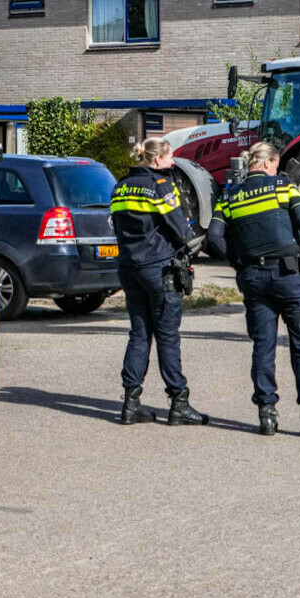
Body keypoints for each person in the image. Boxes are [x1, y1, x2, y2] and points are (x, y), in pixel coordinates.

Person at [206, 142, 300, 437]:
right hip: (290, 275)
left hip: (253, 276)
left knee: (263, 346)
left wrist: (237, 261)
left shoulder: (229, 196)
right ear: (269, 163)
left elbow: (214, 237)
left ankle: (267, 415)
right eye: (276, 165)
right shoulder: (283, 188)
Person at [108, 138, 205, 426]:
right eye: (169, 158)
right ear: (156, 159)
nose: (172, 163)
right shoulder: (161, 186)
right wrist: (193, 247)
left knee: (139, 333)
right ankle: (179, 402)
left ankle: (131, 403)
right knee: (167, 335)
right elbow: (180, 228)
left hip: (129, 268)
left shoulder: (120, 186)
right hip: (158, 268)